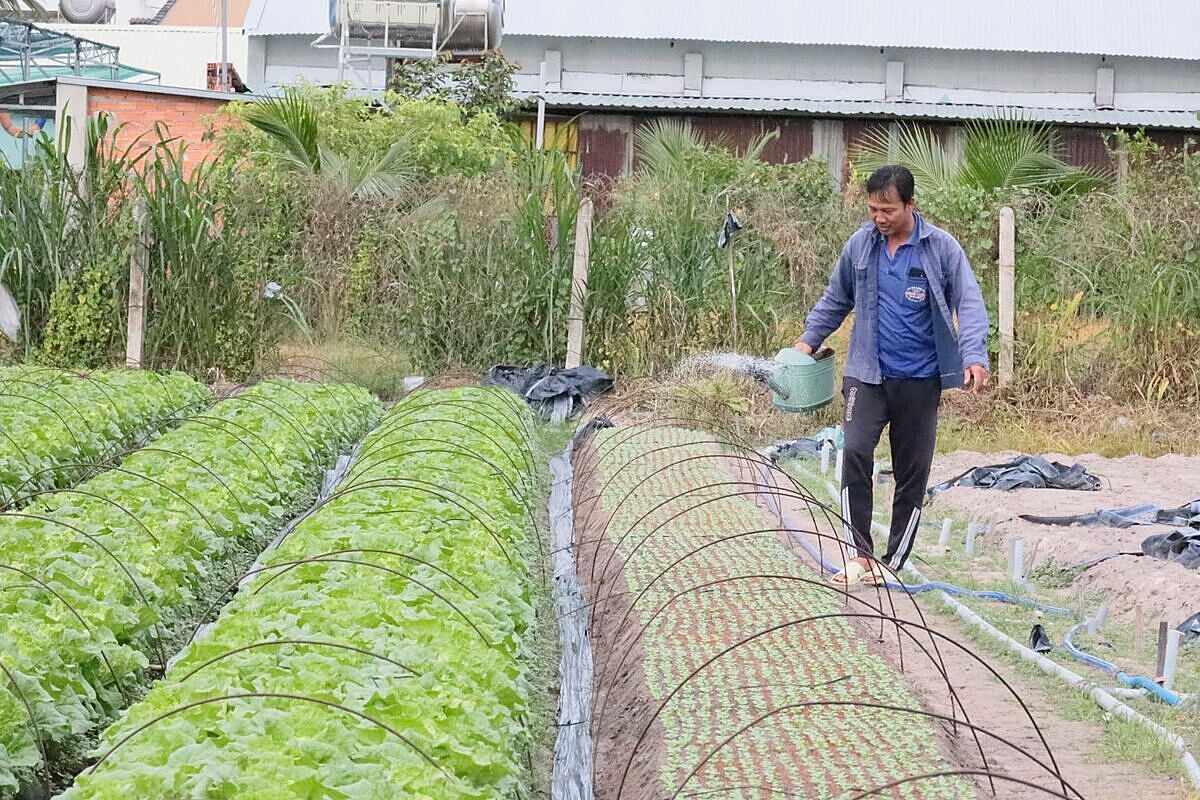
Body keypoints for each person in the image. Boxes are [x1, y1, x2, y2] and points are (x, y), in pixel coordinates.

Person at [794, 165, 990, 587]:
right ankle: (858, 555)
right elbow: (836, 298)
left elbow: (970, 303)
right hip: (867, 374)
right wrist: (807, 342)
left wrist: (974, 356)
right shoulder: (860, 246)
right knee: (854, 451)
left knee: (911, 470)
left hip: (920, 379)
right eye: (872, 209)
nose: (879, 218)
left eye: (888, 210)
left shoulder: (940, 248)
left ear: (910, 205)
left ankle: (892, 561)